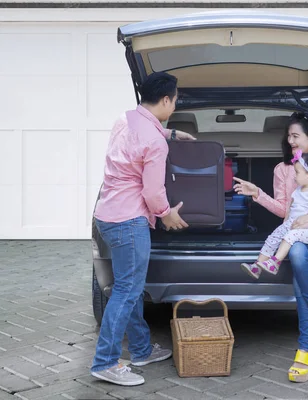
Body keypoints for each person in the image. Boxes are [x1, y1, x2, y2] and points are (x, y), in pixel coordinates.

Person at [91, 72, 195, 386]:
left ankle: (140, 350)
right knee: (126, 292)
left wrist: (172, 134)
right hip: (129, 221)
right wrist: (166, 214)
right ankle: (105, 362)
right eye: (175, 101)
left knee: (129, 288)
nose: (174, 106)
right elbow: (152, 193)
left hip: (107, 214)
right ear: (165, 100)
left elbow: (144, 135)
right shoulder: (154, 142)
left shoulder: (125, 119)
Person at [233, 111, 308, 383]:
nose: (290, 140)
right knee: (299, 261)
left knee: (301, 278)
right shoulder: (284, 169)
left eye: (296, 135)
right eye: (288, 136)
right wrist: (257, 194)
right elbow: (284, 209)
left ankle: (306, 348)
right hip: (296, 232)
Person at [241, 151, 308, 278]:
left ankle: (274, 263)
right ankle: (257, 267)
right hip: (291, 224)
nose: (294, 176)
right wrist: (284, 224)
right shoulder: (297, 190)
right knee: (272, 238)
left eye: (297, 172)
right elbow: (290, 208)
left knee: (290, 236)